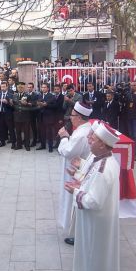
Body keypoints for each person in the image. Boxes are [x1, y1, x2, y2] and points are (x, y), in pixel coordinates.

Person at [64, 121, 120, 271]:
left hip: (99, 220)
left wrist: (75, 192)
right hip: (96, 220)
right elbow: (90, 181)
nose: (88, 140)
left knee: (99, 255)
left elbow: (94, 200)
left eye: (92, 138)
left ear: (103, 143)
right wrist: (77, 176)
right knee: (95, 254)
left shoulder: (104, 167)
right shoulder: (99, 159)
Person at [57, 101, 92, 245]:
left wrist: (64, 137)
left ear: (78, 117)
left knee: (75, 203)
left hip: (77, 172)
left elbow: (67, 151)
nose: (70, 118)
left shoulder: (81, 133)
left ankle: (78, 234)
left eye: (72, 115)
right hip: (79, 169)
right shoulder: (85, 128)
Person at [126, 82, 136, 160]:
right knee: (131, 135)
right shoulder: (129, 94)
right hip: (129, 117)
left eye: (134, 85)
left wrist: (135, 94)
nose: (132, 87)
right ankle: (131, 152)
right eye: (131, 85)